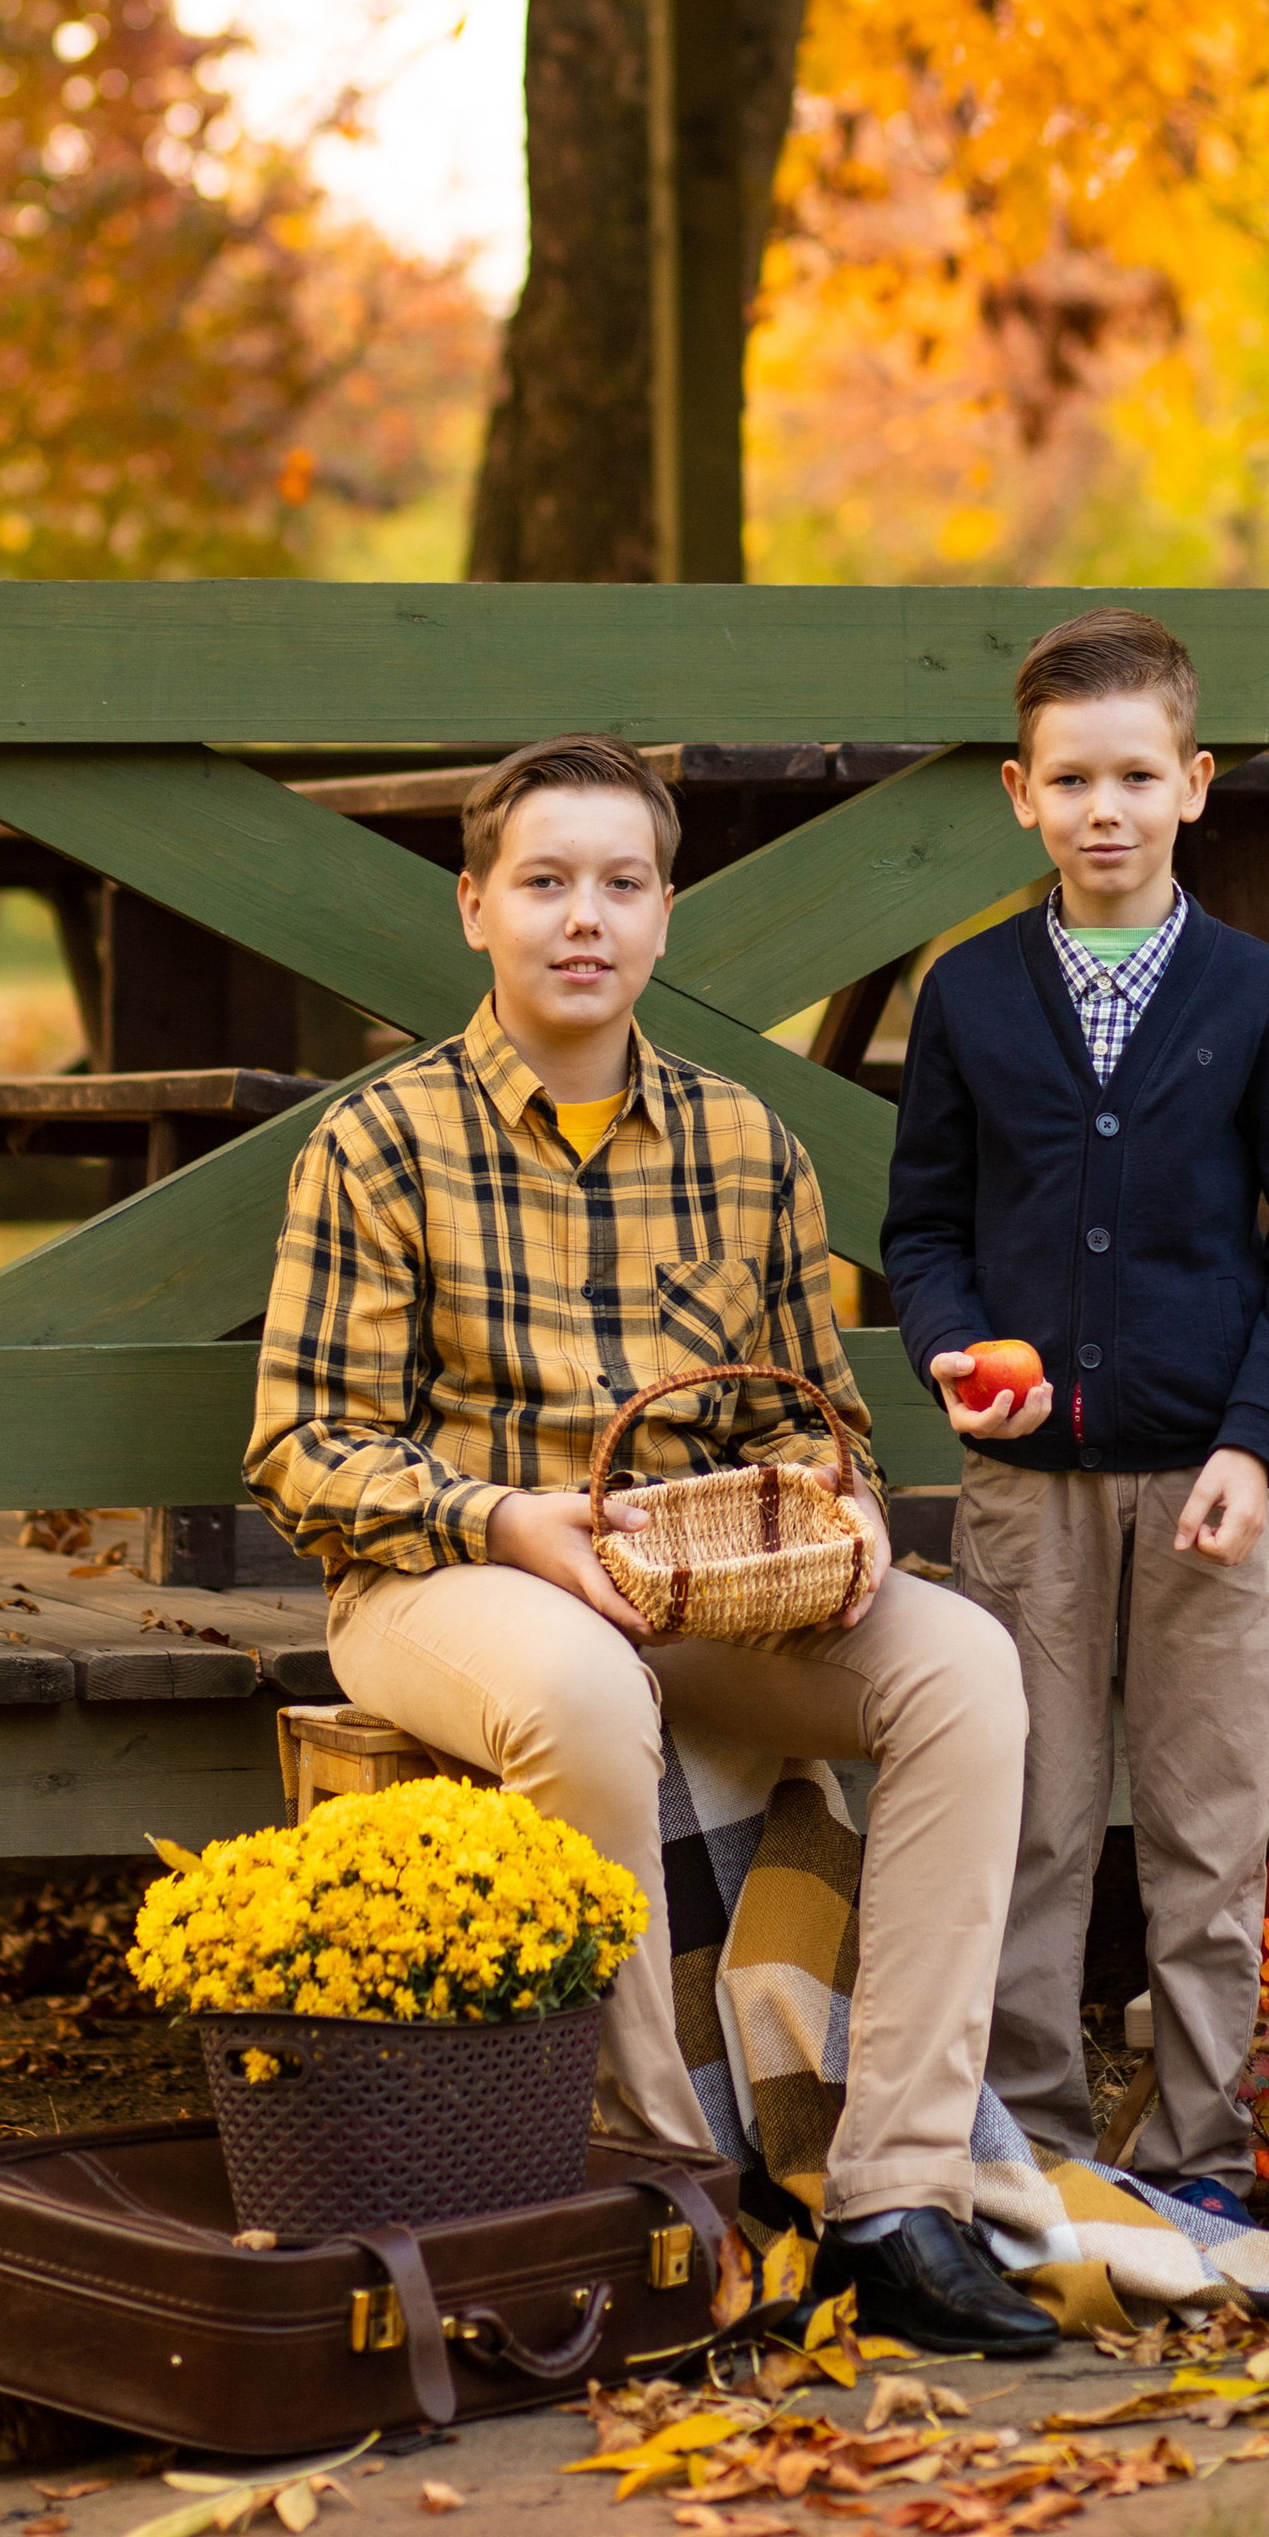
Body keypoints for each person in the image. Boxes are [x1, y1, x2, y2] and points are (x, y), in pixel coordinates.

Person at [247, 732, 1053, 2357]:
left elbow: (814, 1419)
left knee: (965, 1668)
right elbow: (301, 1447)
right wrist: (502, 1521)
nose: (584, 917)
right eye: (545, 881)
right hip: (449, 1580)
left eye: (621, 883)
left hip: (700, 1584)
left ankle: (899, 2193)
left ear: (666, 914)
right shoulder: (381, 1143)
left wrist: (836, 1512)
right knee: (584, 1689)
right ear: (475, 907)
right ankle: (672, 2193)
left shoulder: (744, 1143)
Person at [881, 610, 1269, 2220]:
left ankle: (1201, 2154)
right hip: (1027, 1490)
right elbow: (925, 1229)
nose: (1106, 809)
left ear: (1195, 785)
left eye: (1137, 776)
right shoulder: (968, 996)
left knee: (1209, 1836)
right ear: (1021, 793)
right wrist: (952, 1349)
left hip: (1213, 1488)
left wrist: (1255, 1445)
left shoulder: (1258, 997)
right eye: (1072, 779)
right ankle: (1035, 2150)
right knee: (1029, 1824)